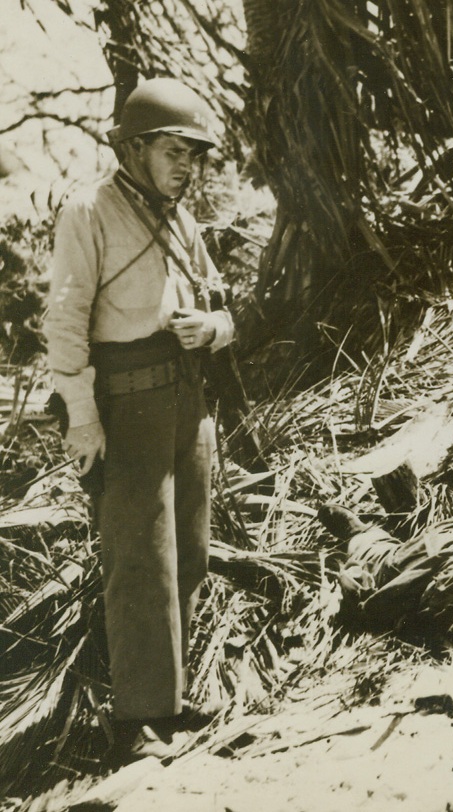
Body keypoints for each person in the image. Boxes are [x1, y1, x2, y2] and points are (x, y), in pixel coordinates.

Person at [43, 77, 234, 762]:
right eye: (174, 152)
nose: (188, 167)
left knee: (188, 548)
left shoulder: (178, 217)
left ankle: (173, 705)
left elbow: (223, 305)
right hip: (126, 402)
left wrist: (210, 329)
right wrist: (83, 419)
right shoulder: (89, 211)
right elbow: (64, 320)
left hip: (187, 398)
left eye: (194, 155)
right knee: (139, 559)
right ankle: (139, 722)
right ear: (134, 147)